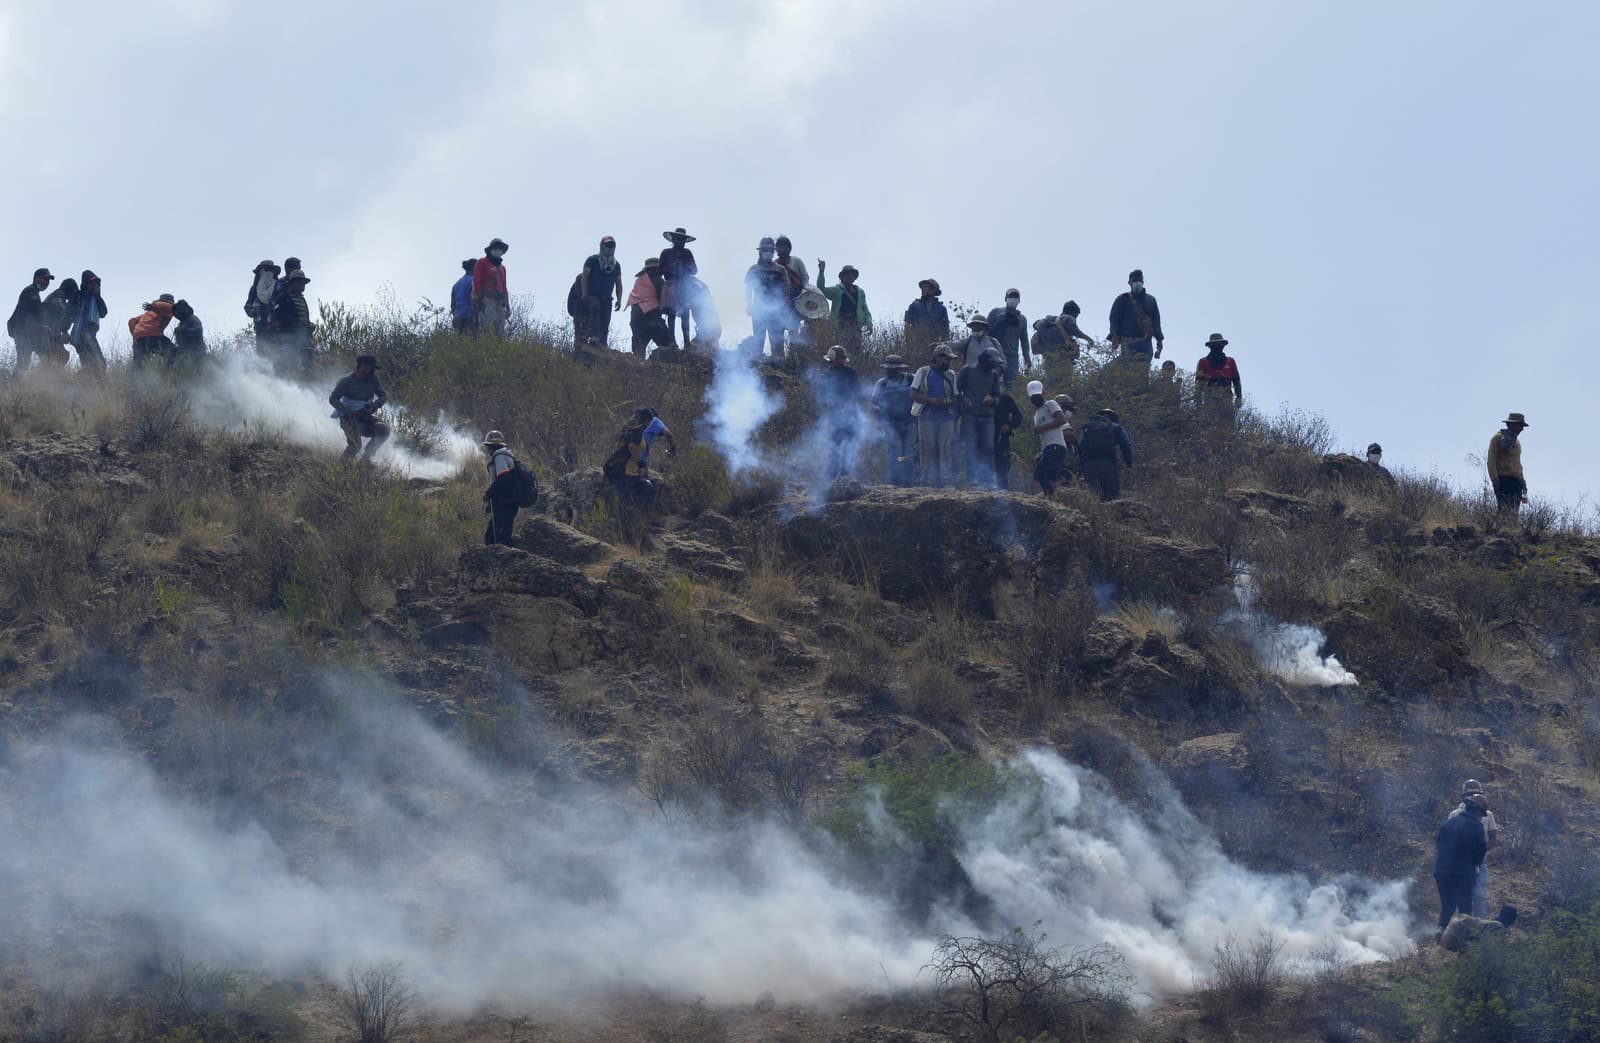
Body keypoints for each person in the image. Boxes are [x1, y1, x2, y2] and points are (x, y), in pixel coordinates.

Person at [1433, 794, 1489, 934]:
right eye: (1481, 814)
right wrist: (1474, 869)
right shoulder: (1477, 827)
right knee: (1465, 908)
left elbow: (1438, 844)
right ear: (1477, 811)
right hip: (1462, 872)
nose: (1481, 817)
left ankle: (1441, 932)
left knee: (1448, 905)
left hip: (1441, 870)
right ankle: (1464, 944)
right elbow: (1479, 854)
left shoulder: (1448, 822)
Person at [1449, 781, 1502, 919]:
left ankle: (1479, 935)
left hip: (1479, 864)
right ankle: (1459, 932)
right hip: (1460, 865)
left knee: (1479, 899)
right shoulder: (1455, 814)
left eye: (1475, 794)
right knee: (1461, 899)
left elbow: (1493, 838)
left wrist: (1478, 851)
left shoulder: (1487, 815)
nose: (1473, 797)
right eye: (1470, 795)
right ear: (1464, 797)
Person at [911, 345, 960, 488]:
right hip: (927, 417)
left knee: (946, 448)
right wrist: (931, 400)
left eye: (950, 360)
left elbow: (956, 397)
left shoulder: (951, 375)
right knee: (928, 448)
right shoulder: (923, 372)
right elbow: (913, 394)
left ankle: (946, 480)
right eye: (946, 359)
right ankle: (926, 481)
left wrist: (947, 402)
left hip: (946, 417)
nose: (948, 362)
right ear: (937, 357)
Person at [328, 354, 390, 461]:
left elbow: (383, 395)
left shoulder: (373, 379)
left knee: (383, 430)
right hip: (348, 418)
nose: (371, 371)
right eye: (369, 367)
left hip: (365, 417)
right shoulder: (346, 381)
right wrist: (349, 411)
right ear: (362, 366)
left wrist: (376, 404)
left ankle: (365, 460)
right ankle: (341, 467)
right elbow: (333, 399)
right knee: (355, 445)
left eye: (372, 368)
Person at [956, 349, 1003, 488]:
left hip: (987, 417)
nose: (993, 364)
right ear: (985, 358)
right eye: (991, 360)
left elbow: (998, 397)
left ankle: (989, 481)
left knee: (988, 448)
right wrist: (964, 399)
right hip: (969, 416)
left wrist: (992, 400)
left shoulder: (994, 375)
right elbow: (956, 390)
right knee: (971, 448)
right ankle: (973, 480)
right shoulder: (967, 370)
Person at [603, 408, 665, 509]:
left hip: (617, 468)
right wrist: (640, 464)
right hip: (620, 470)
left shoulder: (629, 427)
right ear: (647, 420)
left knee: (643, 490)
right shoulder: (638, 429)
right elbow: (632, 446)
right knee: (636, 496)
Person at [871, 354, 917, 486]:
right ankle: (895, 482)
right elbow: (873, 402)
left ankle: (910, 483)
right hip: (890, 423)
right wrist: (877, 410)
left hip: (910, 421)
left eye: (894, 368)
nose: (891, 370)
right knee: (895, 451)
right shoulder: (881, 383)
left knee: (909, 453)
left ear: (900, 368)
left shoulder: (910, 379)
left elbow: (918, 395)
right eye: (889, 368)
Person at [817, 346, 860, 481]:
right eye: (837, 360)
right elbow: (822, 398)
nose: (839, 362)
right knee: (834, 447)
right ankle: (831, 477)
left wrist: (849, 404)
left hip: (850, 415)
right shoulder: (825, 376)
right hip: (834, 417)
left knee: (849, 447)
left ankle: (845, 477)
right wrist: (828, 402)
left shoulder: (851, 373)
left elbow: (857, 392)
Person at [745, 237, 791, 357]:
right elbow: (748, 289)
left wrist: (784, 308)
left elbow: (786, 290)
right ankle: (757, 367)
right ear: (760, 251)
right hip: (758, 310)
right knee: (758, 341)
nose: (768, 252)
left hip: (776, 311)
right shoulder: (753, 270)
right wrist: (749, 305)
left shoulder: (780, 270)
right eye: (765, 249)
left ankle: (780, 370)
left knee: (777, 343)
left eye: (770, 250)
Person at [1108, 269, 1164, 367]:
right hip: (1128, 341)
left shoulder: (1151, 300)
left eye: (1140, 280)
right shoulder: (1122, 299)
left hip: (1146, 342)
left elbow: (1156, 322)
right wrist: (1114, 336)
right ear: (1129, 282)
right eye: (1135, 280)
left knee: (1143, 372)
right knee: (1129, 372)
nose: (1138, 282)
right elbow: (1114, 320)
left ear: (1143, 281)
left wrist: (1159, 341)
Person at [1078, 408, 1134, 500]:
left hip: (1089, 466)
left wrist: (1081, 468)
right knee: (1111, 497)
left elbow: (1081, 447)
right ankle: (1110, 513)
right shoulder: (1116, 427)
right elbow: (1126, 445)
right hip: (1109, 465)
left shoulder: (1089, 428)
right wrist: (1129, 465)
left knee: (1092, 496)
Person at [578, 235, 624, 348]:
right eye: (607, 245)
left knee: (605, 322)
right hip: (592, 296)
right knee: (595, 307)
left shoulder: (616, 265)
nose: (610, 248)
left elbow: (618, 283)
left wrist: (619, 299)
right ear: (602, 246)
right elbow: (585, 277)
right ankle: (593, 336)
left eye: (612, 245)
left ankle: (602, 345)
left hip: (607, 298)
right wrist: (584, 293)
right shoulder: (592, 260)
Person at [1028, 381, 1072, 495]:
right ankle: (1052, 497)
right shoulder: (1037, 414)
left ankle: (1052, 497)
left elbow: (1062, 420)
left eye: (1037, 394)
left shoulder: (1050, 404)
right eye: (1033, 396)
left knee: (1040, 474)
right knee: (1045, 476)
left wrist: (1041, 428)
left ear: (1043, 392)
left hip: (1056, 445)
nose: (1035, 398)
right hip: (1047, 447)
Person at [8, 268, 54, 375]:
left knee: (45, 357)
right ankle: (15, 386)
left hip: (29, 333)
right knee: (24, 363)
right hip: (23, 333)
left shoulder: (34, 293)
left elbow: (34, 311)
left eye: (48, 280)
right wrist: (40, 327)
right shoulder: (30, 291)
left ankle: (36, 381)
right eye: (45, 279)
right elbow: (24, 315)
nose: (47, 282)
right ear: (37, 279)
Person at [658, 227, 699, 348]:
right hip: (671, 284)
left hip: (684, 285)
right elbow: (660, 271)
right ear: (673, 239)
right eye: (678, 239)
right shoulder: (666, 253)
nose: (680, 241)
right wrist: (671, 266)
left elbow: (695, 270)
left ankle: (686, 342)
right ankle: (672, 342)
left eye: (682, 239)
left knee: (685, 314)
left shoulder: (687, 253)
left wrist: (685, 265)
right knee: (671, 314)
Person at [816, 261, 872, 347]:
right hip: (841, 325)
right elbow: (821, 289)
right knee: (841, 350)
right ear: (842, 277)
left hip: (856, 326)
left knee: (856, 350)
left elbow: (865, 310)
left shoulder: (860, 292)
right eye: (847, 274)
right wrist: (821, 272)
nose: (850, 276)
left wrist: (869, 323)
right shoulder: (836, 290)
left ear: (854, 277)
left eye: (852, 274)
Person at [1031, 301, 1094, 374]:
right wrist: (1088, 339)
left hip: (1049, 360)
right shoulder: (1067, 318)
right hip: (1062, 359)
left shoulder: (1050, 322)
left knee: (1051, 382)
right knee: (1065, 382)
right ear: (1073, 312)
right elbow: (1075, 330)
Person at [271, 269, 315, 373]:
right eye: (299, 282)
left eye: (303, 283)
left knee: (307, 355)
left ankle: (306, 376)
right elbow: (279, 316)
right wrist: (297, 322)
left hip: (303, 336)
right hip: (288, 336)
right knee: (289, 361)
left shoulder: (302, 299)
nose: (302, 285)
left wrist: (309, 325)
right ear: (292, 283)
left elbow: (303, 317)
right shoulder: (283, 297)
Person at [481, 430, 521, 545]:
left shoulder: (499, 457)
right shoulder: (506, 455)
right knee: (502, 534)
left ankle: (505, 559)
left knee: (493, 537)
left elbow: (503, 478)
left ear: (491, 446)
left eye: (488, 447)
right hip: (510, 501)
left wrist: (489, 493)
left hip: (506, 502)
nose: (487, 450)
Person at [625, 257, 671, 356]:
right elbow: (663, 299)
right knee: (667, 344)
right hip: (652, 318)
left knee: (638, 352)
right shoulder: (658, 280)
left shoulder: (639, 281)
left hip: (636, 319)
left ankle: (638, 369)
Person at [1487, 413, 1530, 517]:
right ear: (1512, 425)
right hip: (1503, 481)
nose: (1522, 429)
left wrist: (1523, 482)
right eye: (1520, 425)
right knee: (1504, 511)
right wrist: (1495, 480)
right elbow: (1491, 461)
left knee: (1514, 514)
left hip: (1517, 483)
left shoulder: (1517, 442)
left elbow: (1518, 464)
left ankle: (1510, 531)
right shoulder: (1497, 438)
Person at [986, 289, 1031, 387]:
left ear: (1019, 301)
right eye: (1011, 297)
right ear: (1005, 299)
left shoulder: (1022, 319)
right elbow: (986, 331)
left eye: (1015, 297)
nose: (1013, 299)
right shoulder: (995, 313)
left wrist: (1026, 357)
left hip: (1012, 357)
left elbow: (1024, 340)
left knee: (1011, 385)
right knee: (991, 382)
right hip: (994, 354)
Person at [70, 270, 109, 373]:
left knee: (89, 365)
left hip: (89, 334)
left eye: (95, 283)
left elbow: (103, 313)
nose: (93, 285)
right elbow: (68, 311)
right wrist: (64, 329)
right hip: (83, 334)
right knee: (101, 364)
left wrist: (98, 296)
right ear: (85, 282)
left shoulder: (96, 298)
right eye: (91, 282)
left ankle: (76, 383)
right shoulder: (78, 295)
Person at [1195, 333, 1243, 417]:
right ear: (1210, 346)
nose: (1217, 346)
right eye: (1214, 345)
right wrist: (1198, 403)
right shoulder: (1203, 362)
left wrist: (1238, 397)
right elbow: (1198, 384)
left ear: (1223, 345)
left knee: (1227, 424)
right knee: (1210, 423)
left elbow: (1236, 380)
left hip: (1227, 396)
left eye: (1219, 344)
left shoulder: (1230, 361)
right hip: (1210, 397)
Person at [773, 235, 809, 342]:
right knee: (778, 330)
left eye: (785, 247)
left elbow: (805, 277)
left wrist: (804, 290)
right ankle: (780, 357)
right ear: (777, 249)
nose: (783, 249)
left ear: (789, 248)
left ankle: (793, 356)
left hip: (796, 299)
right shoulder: (774, 264)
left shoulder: (797, 261)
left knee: (793, 328)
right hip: (781, 301)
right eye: (780, 247)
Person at [473, 238, 511, 338]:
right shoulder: (482, 262)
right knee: (486, 329)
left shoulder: (502, 268)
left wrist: (507, 306)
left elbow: (504, 287)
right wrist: (478, 299)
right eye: (497, 248)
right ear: (491, 249)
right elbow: (477, 282)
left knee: (500, 332)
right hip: (487, 300)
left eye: (501, 249)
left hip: (500, 303)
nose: (499, 250)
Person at [128, 294, 177, 370]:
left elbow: (132, 321)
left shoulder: (148, 313)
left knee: (138, 363)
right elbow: (165, 305)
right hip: (154, 336)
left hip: (139, 338)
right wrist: (153, 306)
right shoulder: (169, 308)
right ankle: (170, 373)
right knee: (173, 352)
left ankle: (134, 380)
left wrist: (136, 334)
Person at [40, 278, 80, 368]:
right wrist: (65, 330)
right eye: (73, 292)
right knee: (60, 356)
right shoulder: (59, 294)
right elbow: (62, 311)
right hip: (50, 332)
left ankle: (44, 376)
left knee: (52, 357)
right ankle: (53, 377)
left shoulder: (54, 295)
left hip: (46, 332)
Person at [904, 279, 950, 349]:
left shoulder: (941, 308)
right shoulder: (915, 305)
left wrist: (944, 345)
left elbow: (945, 329)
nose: (923, 290)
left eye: (926, 287)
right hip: (917, 344)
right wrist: (909, 342)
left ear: (933, 290)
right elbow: (907, 324)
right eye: (922, 288)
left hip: (935, 345)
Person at [994, 386, 1024, 490]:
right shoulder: (981, 397)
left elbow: (1018, 416)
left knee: (1002, 470)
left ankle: (1003, 497)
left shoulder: (1005, 398)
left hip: (1002, 440)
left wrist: (1009, 425)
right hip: (984, 440)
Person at [244, 260, 280, 338]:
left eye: (269, 270)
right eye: (265, 270)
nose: (267, 273)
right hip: (260, 328)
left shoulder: (278, 287)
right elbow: (247, 306)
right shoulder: (254, 290)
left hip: (275, 328)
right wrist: (251, 312)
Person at [171, 299, 206, 370]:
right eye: (176, 310)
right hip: (184, 352)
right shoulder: (181, 324)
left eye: (180, 309)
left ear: (186, 310)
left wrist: (182, 330)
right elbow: (180, 343)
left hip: (196, 352)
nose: (178, 312)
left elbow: (198, 331)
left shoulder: (192, 318)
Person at [450, 260, 476, 334]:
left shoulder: (456, 285)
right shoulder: (473, 281)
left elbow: (452, 305)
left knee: (459, 343)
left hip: (457, 318)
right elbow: (475, 298)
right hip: (470, 318)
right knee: (471, 343)